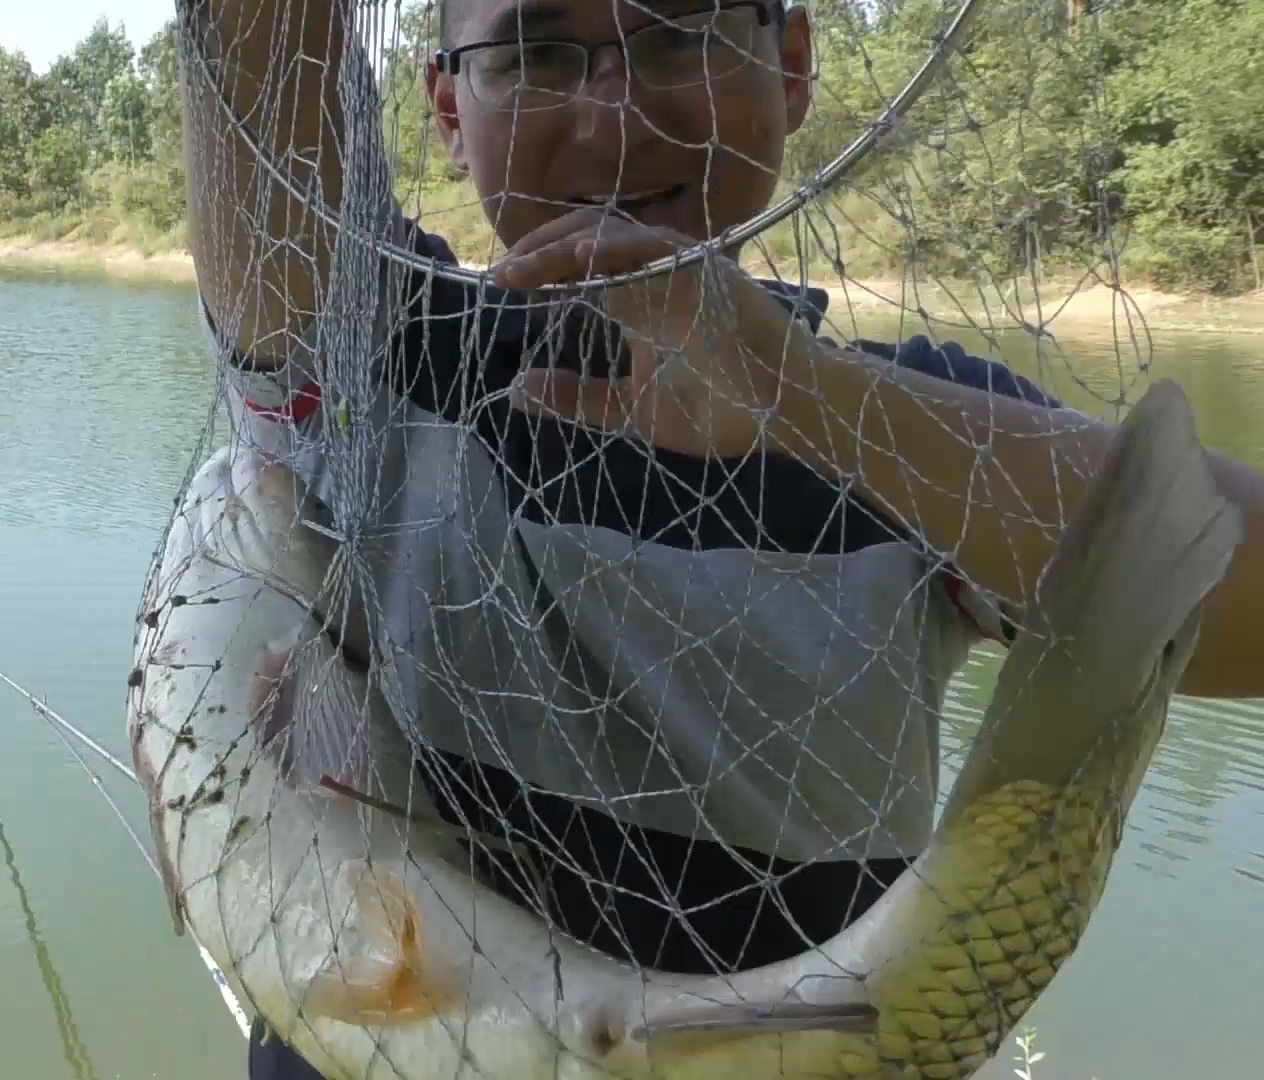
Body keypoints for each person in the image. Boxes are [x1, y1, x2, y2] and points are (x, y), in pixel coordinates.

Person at [173, 0, 1264, 1075]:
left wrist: (808, 398)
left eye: (683, 33)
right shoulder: (368, 359)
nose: (616, 118)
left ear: (791, 65)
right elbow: (253, 85)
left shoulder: (922, 431)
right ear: (450, 110)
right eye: (537, 52)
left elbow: (1225, 595)